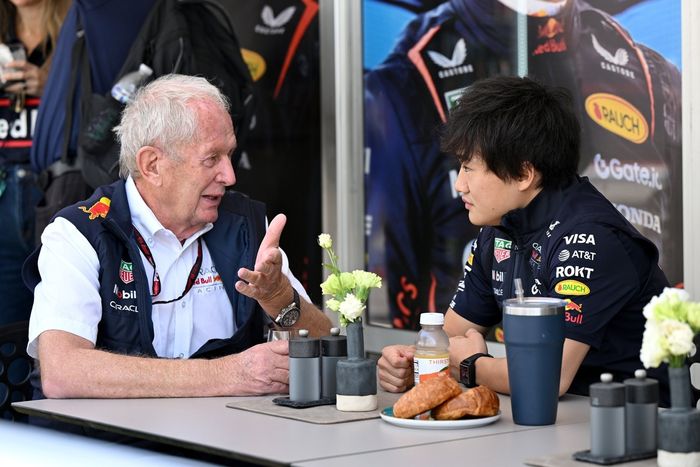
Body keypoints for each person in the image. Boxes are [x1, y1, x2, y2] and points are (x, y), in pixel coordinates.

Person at [23, 74, 331, 399]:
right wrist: (231, 374)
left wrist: (280, 299)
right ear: (152, 165)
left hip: (226, 429)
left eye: (230, 155)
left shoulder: (246, 225)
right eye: (211, 159)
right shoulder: (79, 232)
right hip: (109, 432)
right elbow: (63, 372)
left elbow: (327, 348)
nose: (229, 176)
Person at [377, 76, 672, 405]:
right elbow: (451, 336)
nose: (460, 185)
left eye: (469, 167)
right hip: (553, 418)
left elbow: (548, 377)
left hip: (633, 422)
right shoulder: (500, 227)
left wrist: (471, 365)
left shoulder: (591, 237)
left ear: (523, 174)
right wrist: (411, 360)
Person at [0, 0, 70, 325]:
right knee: (7, 322)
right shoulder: (5, 32)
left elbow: (102, 111)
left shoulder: (75, 30)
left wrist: (50, 86)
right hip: (4, 189)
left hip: (58, 188)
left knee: (61, 318)